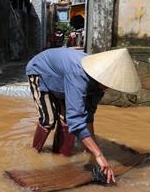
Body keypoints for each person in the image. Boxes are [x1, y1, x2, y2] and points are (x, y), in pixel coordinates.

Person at [25, 47, 141, 183]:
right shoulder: (79, 74)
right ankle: (33, 153)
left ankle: (61, 158)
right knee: (48, 119)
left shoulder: (99, 86)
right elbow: (76, 121)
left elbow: (88, 115)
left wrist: (91, 149)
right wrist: (98, 154)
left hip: (63, 80)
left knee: (66, 121)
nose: (109, 86)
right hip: (40, 71)